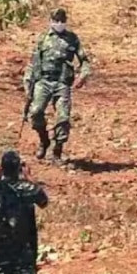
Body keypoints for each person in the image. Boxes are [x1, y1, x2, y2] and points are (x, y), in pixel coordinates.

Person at [24, 8, 91, 165]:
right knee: (35, 112)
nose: (59, 23)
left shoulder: (72, 39)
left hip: (62, 83)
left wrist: (83, 76)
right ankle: (44, 140)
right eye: (56, 20)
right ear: (50, 21)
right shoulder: (42, 38)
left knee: (63, 117)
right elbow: (33, 62)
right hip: (43, 81)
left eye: (62, 20)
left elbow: (85, 61)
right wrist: (27, 82)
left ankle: (57, 151)